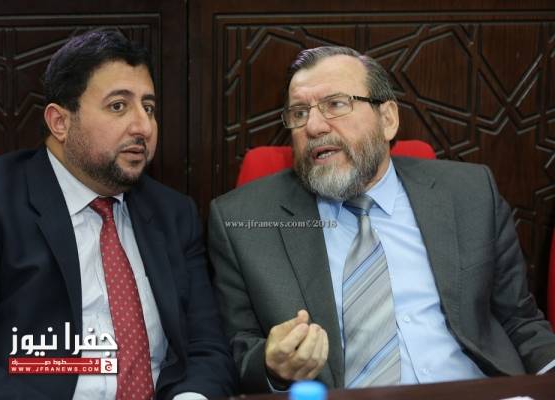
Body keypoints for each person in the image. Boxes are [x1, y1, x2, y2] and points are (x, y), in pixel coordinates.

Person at [207, 46, 555, 394]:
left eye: (335, 104)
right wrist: (274, 367)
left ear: (387, 118)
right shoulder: (241, 221)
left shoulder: (470, 192)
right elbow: (238, 352)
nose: (312, 126)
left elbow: (519, 320)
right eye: (299, 113)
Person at [0, 30, 236, 400]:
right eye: (118, 106)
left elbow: (207, 349)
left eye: (148, 108)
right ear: (60, 122)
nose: (143, 127)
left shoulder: (174, 213)